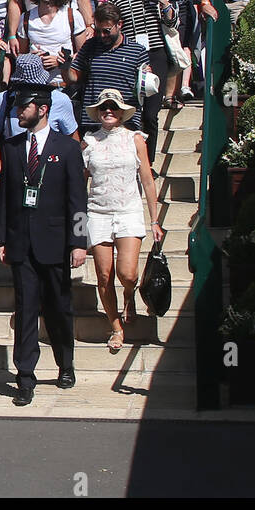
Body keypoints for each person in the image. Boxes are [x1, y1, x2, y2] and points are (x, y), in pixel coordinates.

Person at [0, 83, 88, 407]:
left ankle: (66, 362)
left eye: (24, 107)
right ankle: (25, 378)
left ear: (42, 109)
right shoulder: (12, 147)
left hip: (56, 242)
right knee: (25, 310)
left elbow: (78, 201)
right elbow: (3, 197)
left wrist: (79, 242)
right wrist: (0, 238)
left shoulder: (68, 148)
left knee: (58, 308)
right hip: (22, 242)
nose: (19, 112)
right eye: (18, 107)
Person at [80, 89, 164, 354]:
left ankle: (129, 294)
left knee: (127, 273)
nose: (108, 110)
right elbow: (80, 184)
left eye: (113, 107)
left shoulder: (136, 139)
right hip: (98, 212)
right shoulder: (89, 141)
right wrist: (77, 223)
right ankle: (116, 326)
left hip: (128, 210)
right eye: (104, 106)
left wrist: (155, 220)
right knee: (104, 275)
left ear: (121, 111)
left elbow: (148, 180)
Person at [101, 0, 173, 163]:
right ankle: (130, 159)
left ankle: (148, 162)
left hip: (155, 53)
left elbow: (172, 22)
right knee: (130, 111)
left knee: (150, 114)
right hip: (129, 55)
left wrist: (163, 1)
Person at [0, 55, 79, 181]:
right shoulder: (2, 100)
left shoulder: (60, 100)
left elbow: (73, 139)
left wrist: (71, 174)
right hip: (15, 169)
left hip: (51, 171)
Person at [67, 2, 149, 139]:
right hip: (93, 122)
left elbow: (145, 87)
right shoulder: (90, 46)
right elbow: (74, 77)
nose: (102, 35)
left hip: (125, 122)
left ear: (119, 24)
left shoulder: (137, 51)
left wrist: (147, 77)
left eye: (106, 31)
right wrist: (66, 65)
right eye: (98, 31)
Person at [21, 0, 86, 88]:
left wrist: (60, 61)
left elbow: (83, 53)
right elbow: (20, 54)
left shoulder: (73, 16)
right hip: (35, 85)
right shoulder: (26, 18)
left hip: (64, 85)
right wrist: (32, 59)